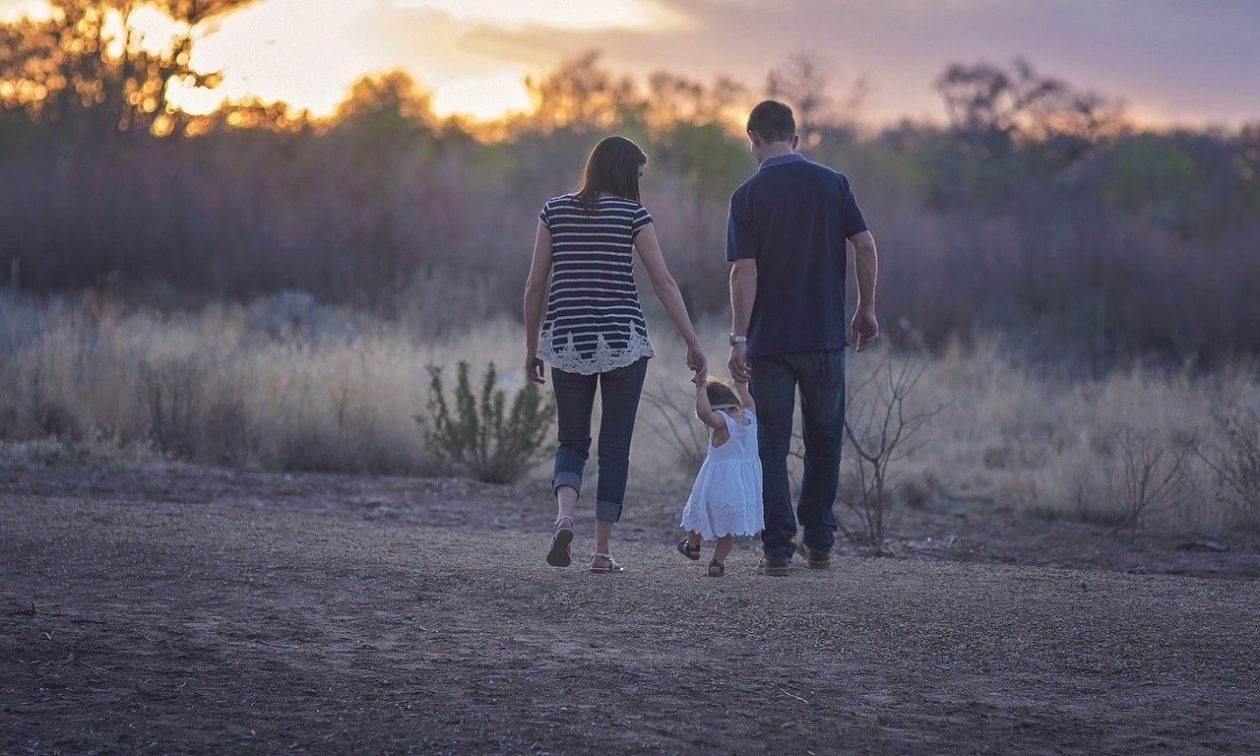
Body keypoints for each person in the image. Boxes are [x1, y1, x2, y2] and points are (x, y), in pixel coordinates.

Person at [523, 135, 707, 574]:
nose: (639, 183)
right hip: (623, 341)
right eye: (638, 174)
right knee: (614, 448)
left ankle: (565, 517)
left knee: (571, 441)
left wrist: (532, 347)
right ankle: (601, 552)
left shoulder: (554, 211)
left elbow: (534, 286)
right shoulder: (633, 215)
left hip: (567, 341)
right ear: (624, 172)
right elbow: (663, 283)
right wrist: (692, 340)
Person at [726, 100, 881, 576]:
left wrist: (738, 337)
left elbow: (743, 271)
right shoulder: (833, 184)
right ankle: (819, 542)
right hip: (825, 337)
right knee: (825, 439)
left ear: (752, 138)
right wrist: (866, 307)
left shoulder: (747, 195)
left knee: (771, 445)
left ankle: (776, 550)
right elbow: (865, 244)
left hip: (771, 343)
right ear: (795, 138)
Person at [677, 376, 764, 577]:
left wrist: (700, 389)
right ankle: (717, 562)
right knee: (728, 528)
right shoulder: (750, 418)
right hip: (741, 487)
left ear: (715, 407)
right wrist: (740, 386)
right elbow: (749, 402)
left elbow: (704, 413)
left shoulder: (723, 423)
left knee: (696, 514)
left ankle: (692, 546)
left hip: (716, 484)